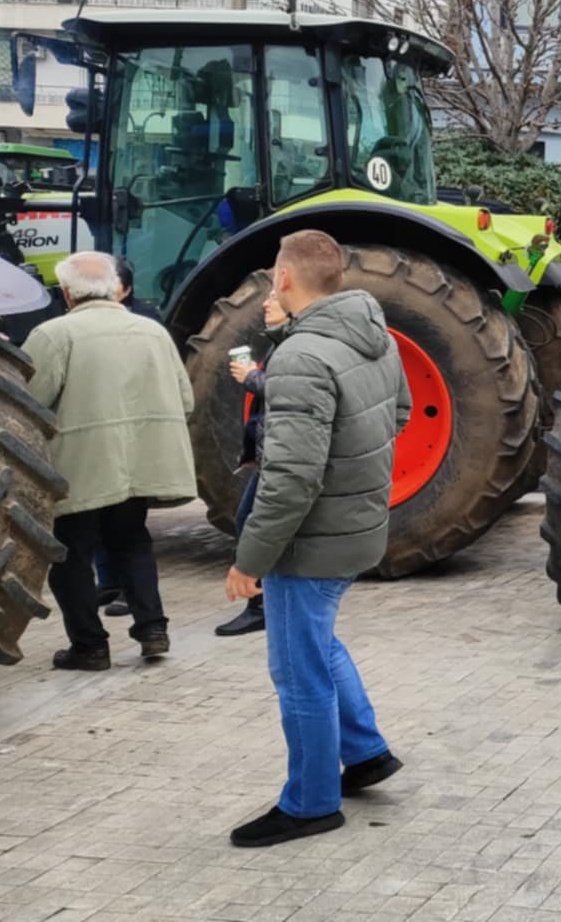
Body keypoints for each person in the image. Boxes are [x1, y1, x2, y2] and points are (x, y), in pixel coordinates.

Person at [227, 231, 409, 848]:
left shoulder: (302, 356)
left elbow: (290, 479)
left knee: (297, 670)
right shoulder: (373, 333)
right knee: (318, 642)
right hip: (354, 527)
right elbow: (399, 413)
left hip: (310, 543)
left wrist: (248, 562)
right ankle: (364, 754)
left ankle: (310, 803)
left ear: (283, 279)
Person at [23, 252, 195, 671]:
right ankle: (153, 629)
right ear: (114, 286)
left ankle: (89, 645)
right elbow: (186, 400)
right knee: (132, 540)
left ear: (66, 293)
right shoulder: (153, 332)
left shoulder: (52, 335)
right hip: (139, 462)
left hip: (77, 467)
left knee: (70, 553)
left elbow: (26, 405)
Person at [92, 256, 169, 618]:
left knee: (126, 525)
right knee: (99, 518)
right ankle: (108, 582)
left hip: (131, 433)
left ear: (126, 288)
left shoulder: (144, 323)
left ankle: (128, 592)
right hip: (103, 431)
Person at [215, 291, 292, 638]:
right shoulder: (283, 342)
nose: (265, 303)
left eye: (274, 297)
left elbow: (291, 390)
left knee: (252, 523)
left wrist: (250, 378)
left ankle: (261, 605)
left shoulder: (294, 344)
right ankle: (264, 603)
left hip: (279, 458)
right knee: (249, 522)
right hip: (269, 456)